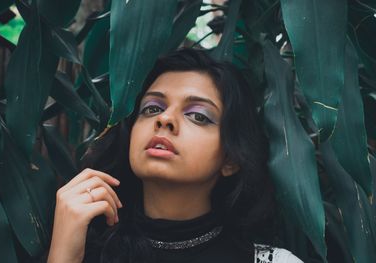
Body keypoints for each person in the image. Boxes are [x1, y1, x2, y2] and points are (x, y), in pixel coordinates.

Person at [47, 49, 303, 263]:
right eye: (151, 108)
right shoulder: (79, 251)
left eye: (198, 116)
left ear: (231, 159)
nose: (165, 118)